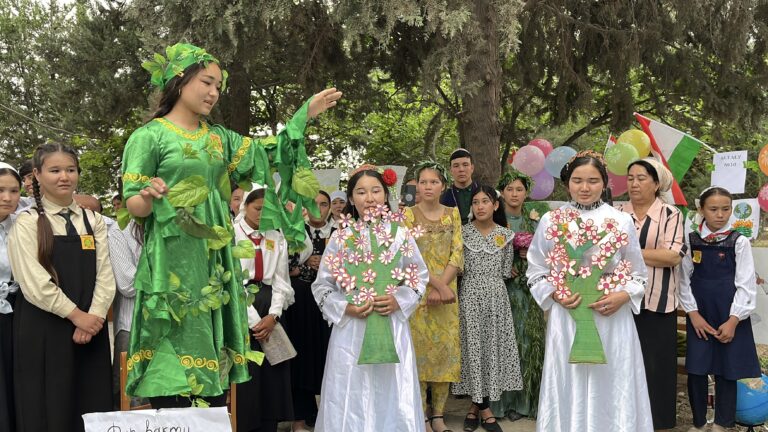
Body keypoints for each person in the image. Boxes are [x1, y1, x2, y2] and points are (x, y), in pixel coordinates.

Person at [120, 42, 340, 405]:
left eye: (218, 86)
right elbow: (133, 203)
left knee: (212, 374)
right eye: (207, 82)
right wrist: (148, 195)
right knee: (172, 365)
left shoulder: (219, 138)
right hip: (170, 262)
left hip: (212, 260)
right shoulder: (148, 137)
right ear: (180, 79)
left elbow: (269, 150)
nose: (213, 92)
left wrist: (305, 115)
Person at [526, 150, 652, 431]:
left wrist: (623, 295)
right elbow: (536, 269)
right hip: (567, 313)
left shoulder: (620, 221)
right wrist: (555, 293)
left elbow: (638, 273)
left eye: (593, 181)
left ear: (605, 183)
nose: (585, 187)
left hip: (611, 314)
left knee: (612, 379)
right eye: (577, 180)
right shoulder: (552, 221)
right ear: (567, 182)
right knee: (568, 377)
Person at [311, 167, 428, 431]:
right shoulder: (341, 236)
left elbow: (418, 277)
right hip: (351, 330)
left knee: (392, 392)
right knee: (349, 392)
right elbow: (322, 285)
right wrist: (346, 308)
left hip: (391, 324)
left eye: (376, 191)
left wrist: (399, 300)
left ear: (385, 195)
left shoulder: (400, 233)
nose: (370, 198)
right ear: (351, 199)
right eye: (361, 192)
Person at [9, 143, 115, 432]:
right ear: (37, 175)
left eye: (70, 170)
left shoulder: (93, 220)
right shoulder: (27, 223)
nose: (64, 177)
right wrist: (75, 315)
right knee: (47, 406)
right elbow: (33, 283)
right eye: (55, 170)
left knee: (91, 404)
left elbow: (106, 275)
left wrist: (92, 318)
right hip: (44, 327)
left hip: (90, 331)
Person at [679, 186, 760, 432]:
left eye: (726, 209)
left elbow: (746, 285)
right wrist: (693, 314)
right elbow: (683, 279)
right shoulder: (691, 241)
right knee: (697, 368)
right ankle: (699, 422)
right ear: (701, 210)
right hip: (700, 316)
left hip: (730, 315)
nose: (720, 214)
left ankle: (723, 424)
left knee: (728, 369)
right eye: (713, 209)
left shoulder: (740, 241)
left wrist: (734, 320)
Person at [619, 158, 685, 429]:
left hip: (658, 301)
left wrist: (629, 253)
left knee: (657, 366)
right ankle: (626, 416)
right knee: (624, 362)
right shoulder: (618, 214)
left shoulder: (671, 214)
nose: (634, 183)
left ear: (656, 184)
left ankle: (659, 421)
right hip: (622, 302)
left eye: (642, 178)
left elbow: (672, 255)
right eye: (631, 177)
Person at [452, 185, 522, 432]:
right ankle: (484, 409)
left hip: (496, 298)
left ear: (495, 205)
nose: (480, 206)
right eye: (475, 202)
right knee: (472, 349)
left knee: (491, 348)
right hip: (469, 295)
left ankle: (475, 407)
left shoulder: (506, 235)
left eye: (485, 201)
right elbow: (457, 269)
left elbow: (505, 271)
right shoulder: (461, 233)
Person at [403, 161, 462, 432]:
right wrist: (436, 285)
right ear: (417, 185)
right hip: (417, 294)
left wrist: (445, 287)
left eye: (434, 182)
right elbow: (406, 259)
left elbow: (457, 252)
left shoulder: (453, 214)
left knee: (444, 354)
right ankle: (422, 415)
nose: (428, 187)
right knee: (419, 354)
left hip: (448, 296)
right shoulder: (407, 215)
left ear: (443, 186)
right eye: (423, 182)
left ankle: (438, 415)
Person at [234, 187, 294, 432]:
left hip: (269, 305)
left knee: (272, 377)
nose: (261, 214)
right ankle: (245, 425)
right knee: (248, 375)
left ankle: (270, 425)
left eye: (267, 210)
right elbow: (232, 279)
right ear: (245, 206)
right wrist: (253, 319)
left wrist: (273, 315)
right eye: (258, 209)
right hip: (242, 304)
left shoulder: (276, 236)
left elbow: (281, 279)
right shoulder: (232, 234)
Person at [490, 170, 544, 421]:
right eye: (509, 189)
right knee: (504, 343)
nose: (514, 194)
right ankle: (501, 404)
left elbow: (547, 256)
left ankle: (525, 404)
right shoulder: (495, 222)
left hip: (528, 291)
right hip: (503, 291)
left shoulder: (536, 221)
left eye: (519, 189)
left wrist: (529, 257)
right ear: (502, 192)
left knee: (528, 341)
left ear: (526, 193)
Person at [285, 191, 334, 432]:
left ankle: (330, 414)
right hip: (301, 302)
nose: (318, 209)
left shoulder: (340, 232)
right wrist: (306, 264)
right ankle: (301, 417)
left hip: (332, 304)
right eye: (313, 204)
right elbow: (283, 265)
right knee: (301, 356)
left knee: (329, 355)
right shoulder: (295, 230)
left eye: (324, 204)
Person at [108, 218, 143, 409]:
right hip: (132, 326)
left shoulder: (173, 224)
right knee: (131, 396)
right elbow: (128, 285)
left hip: (172, 326)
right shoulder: (120, 230)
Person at [0, 162, 21, 432]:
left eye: (14, 190)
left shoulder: (23, 224)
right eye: (0, 190)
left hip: (17, 313)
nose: (7, 197)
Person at [440, 148, 479, 225]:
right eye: (456, 166)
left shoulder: (484, 192)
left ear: (472, 168)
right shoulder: (443, 198)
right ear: (451, 170)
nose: (461, 169)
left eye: (465, 165)